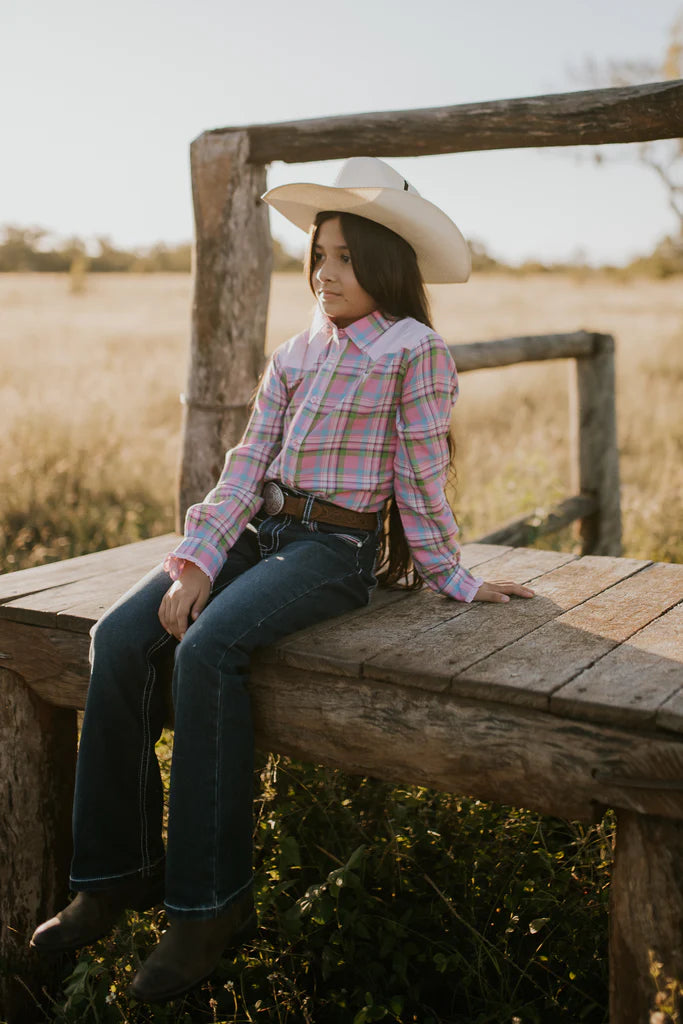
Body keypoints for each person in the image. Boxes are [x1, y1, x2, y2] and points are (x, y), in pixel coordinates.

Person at [30, 157, 534, 1003]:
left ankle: (205, 907)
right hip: (258, 531)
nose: (325, 274)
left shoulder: (416, 352)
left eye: (343, 258)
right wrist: (195, 562)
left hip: (331, 553)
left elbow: (419, 478)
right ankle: (114, 875)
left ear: (383, 264)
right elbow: (244, 465)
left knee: (208, 650)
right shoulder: (297, 351)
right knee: (118, 635)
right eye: (318, 256)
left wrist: (455, 576)